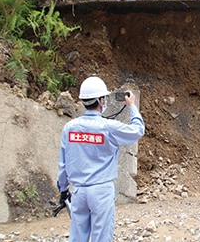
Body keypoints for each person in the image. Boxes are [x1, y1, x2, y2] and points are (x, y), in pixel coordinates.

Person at [56, 76, 145, 242]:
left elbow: (63, 164)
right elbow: (138, 130)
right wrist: (132, 106)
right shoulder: (109, 127)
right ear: (101, 100)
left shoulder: (69, 128)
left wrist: (63, 189)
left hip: (78, 191)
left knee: (77, 237)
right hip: (101, 191)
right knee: (102, 237)